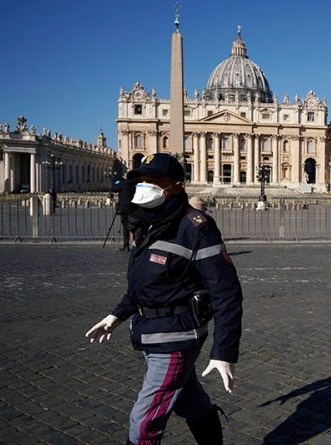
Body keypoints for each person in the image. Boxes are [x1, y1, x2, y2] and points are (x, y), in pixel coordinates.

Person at [85, 153, 244, 445]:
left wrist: (223, 351)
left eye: (154, 181)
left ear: (176, 186)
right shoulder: (146, 224)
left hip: (176, 338)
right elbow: (146, 285)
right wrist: (117, 315)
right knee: (189, 401)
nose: (145, 186)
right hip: (149, 332)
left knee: (144, 423)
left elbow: (226, 292)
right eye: (142, 180)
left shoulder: (196, 228)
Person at [116, 177, 140, 251]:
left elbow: (114, 188)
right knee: (134, 226)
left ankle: (126, 246)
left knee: (125, 228)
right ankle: (136, 244)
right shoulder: (135, 185)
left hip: (124, 209)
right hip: (134, 209)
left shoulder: (122, 184)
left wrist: (117, 181)